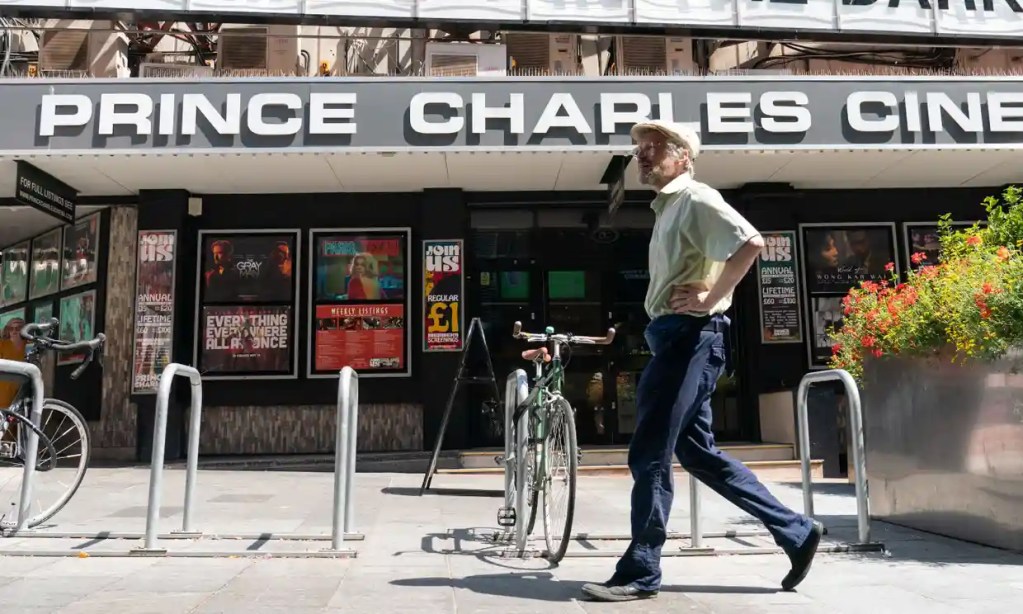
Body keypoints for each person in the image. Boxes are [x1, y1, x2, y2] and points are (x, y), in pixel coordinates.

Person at [581, 120, 823, 602]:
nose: (644, 156)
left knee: (649, 452)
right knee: (696, 454)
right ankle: (795, 530)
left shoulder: (694, 198)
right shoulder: (670, 207)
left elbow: (750, 242)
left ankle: (640, 571)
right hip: (680, 338)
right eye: (640, 150)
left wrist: (712, 295)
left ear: (684, 157)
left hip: (689, 339)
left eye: (655, 149)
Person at [0, 317, 28, 409]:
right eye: (11, 328)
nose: (14, 331)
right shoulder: (2, 345)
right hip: (5, 386)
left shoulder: (28, 345)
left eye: (18, 328)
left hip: (23, 385)